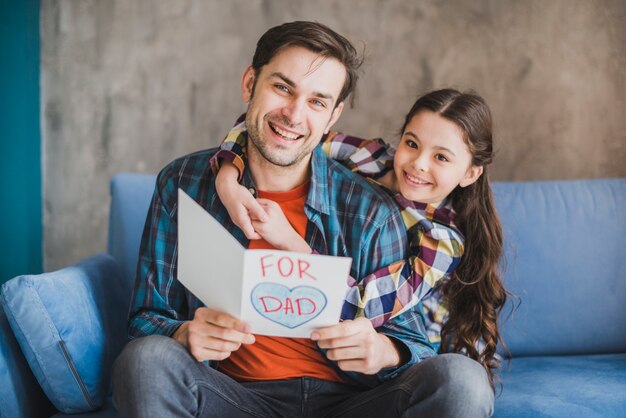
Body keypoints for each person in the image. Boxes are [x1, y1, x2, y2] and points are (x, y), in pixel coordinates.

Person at [112, 21, 494, 418]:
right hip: (231, 397)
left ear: (332, 116)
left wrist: (385, 351)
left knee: (461, 379)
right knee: (144, 359)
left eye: (316, 101)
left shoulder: (377, 211)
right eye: (282, 87)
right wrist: (183, 332)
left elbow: (414, 343)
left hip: (351, 403)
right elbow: (145, 317)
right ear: (250, 84)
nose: (294, 114)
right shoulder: (184, 182)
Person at [213, 88, 508, 386]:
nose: (419, 163)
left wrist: (290, 242)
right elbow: (273, 134)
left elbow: (362, 307)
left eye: (441, 157)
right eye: (412, 143)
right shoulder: (370, 158)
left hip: (408, 355)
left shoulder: (442, 241)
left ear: (470, 173)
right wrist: (227, 176)